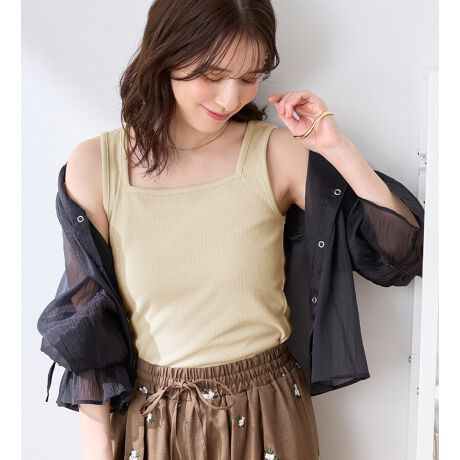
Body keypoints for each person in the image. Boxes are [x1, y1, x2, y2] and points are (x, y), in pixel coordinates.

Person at [56, 0, 422, 459]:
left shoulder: (275, 154)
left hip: (269, 414)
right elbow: (89, 331)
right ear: (166, 55)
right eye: (212, 75)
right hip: (154, 424)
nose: (231, 99)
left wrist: (336, 149)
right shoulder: (95, 166)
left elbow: (402, 254)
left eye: (250, 77)